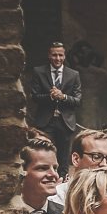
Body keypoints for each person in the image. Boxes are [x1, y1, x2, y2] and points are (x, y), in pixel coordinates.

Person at [27, 42, 82, 172]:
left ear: (64, 56)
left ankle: (63, 183)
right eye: (54, 55)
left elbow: (78, 100)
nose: (57, 58)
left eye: (60, 55)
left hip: (65, 122)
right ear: (49, 56)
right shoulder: (39, 72)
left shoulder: (73, 74)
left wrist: (63, 97)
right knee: (44, 155)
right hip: (45, 121)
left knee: (63, 159)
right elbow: (34, 97)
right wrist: (50, 96)